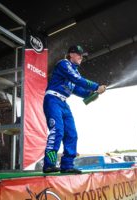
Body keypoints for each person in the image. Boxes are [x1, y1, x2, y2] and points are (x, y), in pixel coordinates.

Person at [42, 45, 106, 174]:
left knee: (72, 134)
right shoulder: (63, 64)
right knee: (57, 131)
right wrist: (96, 86)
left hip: (64, 103)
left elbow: (79, 90)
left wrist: (94, 94)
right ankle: (49, 165)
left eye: (82, 56)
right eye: (79, 54)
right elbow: (77, 80)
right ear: (71, 54)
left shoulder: (75, 72)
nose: (81, 57)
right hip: (52, 100)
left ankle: (67, 166)